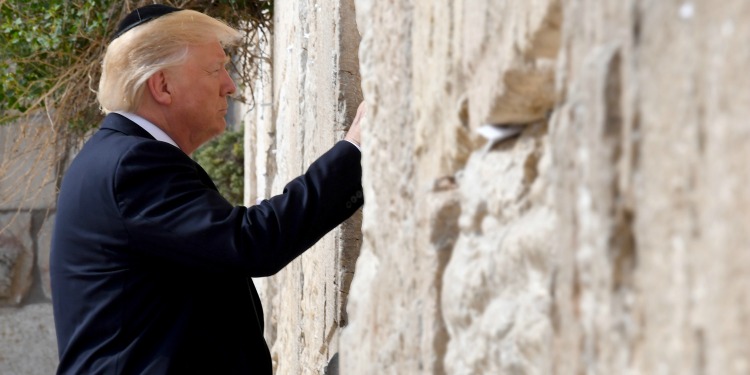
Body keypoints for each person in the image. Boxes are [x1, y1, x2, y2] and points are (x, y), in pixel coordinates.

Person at [50, 4, 365, 374]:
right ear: (163, 85)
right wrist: (356, 150)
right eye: (216, 69)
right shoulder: (131, 165)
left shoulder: (119, 157)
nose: (230, 86)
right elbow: (251, 243)